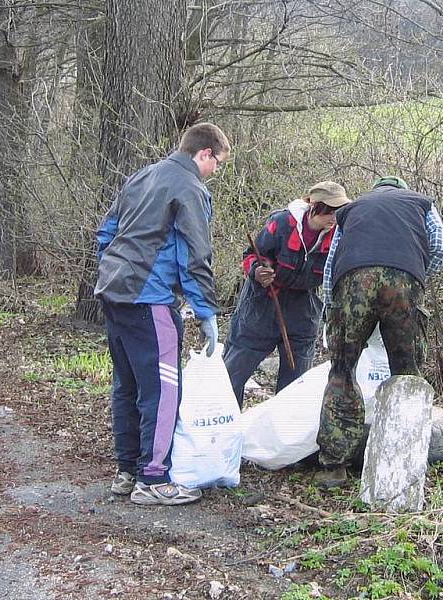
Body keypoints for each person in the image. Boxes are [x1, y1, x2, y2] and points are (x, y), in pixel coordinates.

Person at [95, 122, 230, 506]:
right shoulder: (189, 187)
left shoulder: (142, 176)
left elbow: (106, 233)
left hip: (113, 294)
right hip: (149, 300)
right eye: (217, 163)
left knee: (128, 385)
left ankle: (127, 471)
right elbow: (195, 255)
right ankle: (153, 477)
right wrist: (205, 311)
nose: (215, 171)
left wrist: (111, 273)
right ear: (205, 153)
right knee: (164, 388)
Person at [315, 175, 443, 488]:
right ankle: (407, 462)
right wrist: (416, 278)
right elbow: (442, 247)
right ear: (402, 190)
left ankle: (333, 467)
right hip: (402, 281)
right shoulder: (421, 203)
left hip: (352, 282)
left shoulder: (351, 210)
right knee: (407, 373)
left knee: (342, 371)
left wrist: (330, 309)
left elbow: (331, 263)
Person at [223, 181, 351, 407]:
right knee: (233, 375)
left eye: (338, 212)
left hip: (302, 312)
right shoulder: (281, 223)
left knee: (294, 387)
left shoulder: (338, 237)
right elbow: (251, 255)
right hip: (261, 305)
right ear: (314, 207)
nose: (334, 218)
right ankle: (225, 429)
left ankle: (282, 437)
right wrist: (258, 271)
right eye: (330, 211)